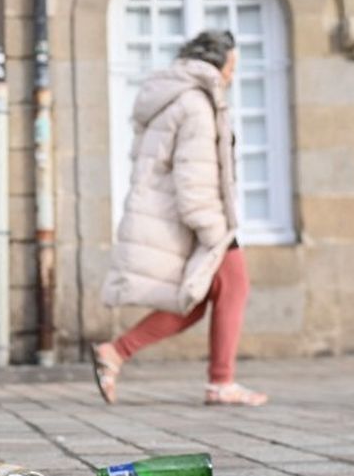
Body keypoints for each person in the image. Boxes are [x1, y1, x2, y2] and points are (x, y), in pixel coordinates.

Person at [94, 30, 268, 407]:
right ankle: (221, 383)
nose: (233, 76)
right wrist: (215, 230)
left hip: (179, 218)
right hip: (200, 220)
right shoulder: (197, 105)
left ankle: (116, 352)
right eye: (233, 66)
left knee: (194, 300)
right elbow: (194, 177)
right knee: (233, 286)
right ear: (217, 63)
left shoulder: (180, 98)